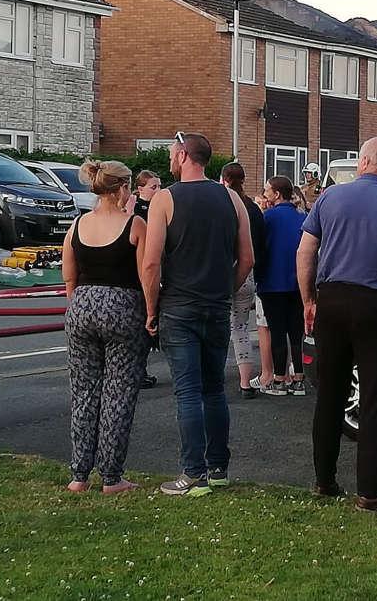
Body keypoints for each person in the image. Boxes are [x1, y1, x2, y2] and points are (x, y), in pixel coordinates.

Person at [298, 137, 377, 515]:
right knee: (375, 400)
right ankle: (370, 493)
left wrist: (309, 300)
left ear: (364, 161)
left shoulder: (329, 198)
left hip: (332, 300)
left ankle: (324, 480)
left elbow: (305, 251)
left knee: (330, 396)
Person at [142, 132, 253, 497]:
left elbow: (152, 262)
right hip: (216, 305)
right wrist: (226, 290)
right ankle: (218, 468)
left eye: (174, 153)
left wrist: (151, 309)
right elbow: (247, 258)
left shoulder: (164, 199)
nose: (171, 159)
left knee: (187, 392)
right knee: (214, 389)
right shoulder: (231, 197)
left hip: (179, 306)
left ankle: (193, 474)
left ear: (186, 155)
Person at [61, 159, 151, 494]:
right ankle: (111, 476)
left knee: (83, 392)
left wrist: (79, 303)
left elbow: (68, 274)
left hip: (82, 306)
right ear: (124, 187)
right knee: (119, 393)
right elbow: (147, 275)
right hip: (123, 309)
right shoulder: (135, 224)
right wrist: (151, 313)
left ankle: (79, 474)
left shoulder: (78, 224)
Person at [256, 175, 307, 396]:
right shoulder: (302, 218)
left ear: (276, 194)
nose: (265, 193)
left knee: (277, 331)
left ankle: (279, 379)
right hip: (298, 283)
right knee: (296, 332)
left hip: (272, 282)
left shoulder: (267, 218)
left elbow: (259, 248)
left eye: (267, 190)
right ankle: (298, 379)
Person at [221, 162, 267, 400]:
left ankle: (213, 375)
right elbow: (258, 245)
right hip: (247, 274)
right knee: (240, 328)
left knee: (218, 328)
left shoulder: (221, 206)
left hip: (220, 273)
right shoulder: (253, 209)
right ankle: (245, 383)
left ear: (224, 180)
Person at [127, 169, 162, 389]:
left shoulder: (160, 207)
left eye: (160, 186)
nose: (158, 191)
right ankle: (136, 370)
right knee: (140, 324)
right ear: (140, 190)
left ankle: (141, 368)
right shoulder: (136, 210)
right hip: (138, 270)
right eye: (153, 187)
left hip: (157, 268)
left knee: (150, 326)